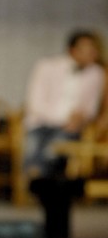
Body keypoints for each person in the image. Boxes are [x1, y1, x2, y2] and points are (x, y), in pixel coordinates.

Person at [23, 30, 105, 179]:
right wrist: (64, 118)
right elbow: (35, 102)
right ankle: (37, 179)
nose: (93, 53)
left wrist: (81, 118)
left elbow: (91, 108)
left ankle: (39, 181)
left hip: (71, 128)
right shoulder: (46, 66)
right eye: (87, 49)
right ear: (72, 50)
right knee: (33, 149)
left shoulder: (97, 74)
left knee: (53, 151)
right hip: (40, 123)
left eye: (94, 49)